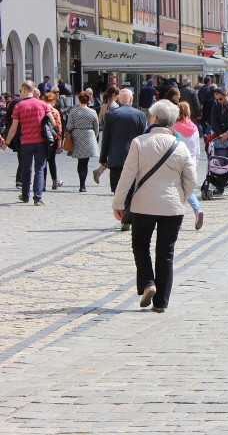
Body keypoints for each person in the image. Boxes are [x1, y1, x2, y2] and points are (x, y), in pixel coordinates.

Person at [112, 100, 196, 313]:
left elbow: (127, 175)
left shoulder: (140, 142)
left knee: (140, 245)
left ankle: (148, 282)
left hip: (143, 205)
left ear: (155, 119)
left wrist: (119, 202)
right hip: (172, 207)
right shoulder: (181, 146)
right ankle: (161, 303)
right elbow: (192, 179)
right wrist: (181, 197)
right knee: (166, 252)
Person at [98, 88, 148, 228]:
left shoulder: (111, 115)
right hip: (134, 156)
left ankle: (123, 214)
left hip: (116, 157)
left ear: (119, 100)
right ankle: (128, 214)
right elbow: (143, 138)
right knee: (132, 187)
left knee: (117, 187)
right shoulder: (140, 115)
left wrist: (103, 158)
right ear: (131, 100)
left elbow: (106, 139)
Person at [1, 81, 56, 206]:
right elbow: (53, 123)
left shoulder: (19, 106)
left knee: (26, 169)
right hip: (41, 142)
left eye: (21, 90)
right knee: (40, 169)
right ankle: (38, 198)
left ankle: (25, 195)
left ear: (25, 90)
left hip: (25, 142)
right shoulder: (42, 104)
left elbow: (14, 128)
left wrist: (7, 143)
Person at [172, 101, 204, 230]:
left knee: (177, 190)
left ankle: (179, 219)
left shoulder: (174, 127)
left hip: (178, 160)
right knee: (188, 188)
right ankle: (197, 211)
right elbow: (197, 149)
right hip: (192, 161)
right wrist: (195, 163)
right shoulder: (194, 127)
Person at [64, 91, 100, 192]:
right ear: (88, 100)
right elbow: (96, 127)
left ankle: (81, 184)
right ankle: (83, 185)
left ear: (79, 99)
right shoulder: (92, 112)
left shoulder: (73, 111)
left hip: (77, 136)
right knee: (85, 161)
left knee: (80, 161)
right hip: (89, 136)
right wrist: (94, 137)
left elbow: (69, 126)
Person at [42, 91, 64, 190]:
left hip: (42, 137)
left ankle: (42, 183)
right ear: (53, 100)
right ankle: (55, 181)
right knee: (52, 160)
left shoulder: (41, 109)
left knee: (43, 161)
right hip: (53, 139)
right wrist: (59, 142)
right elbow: (58, 128)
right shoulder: (55, 111)